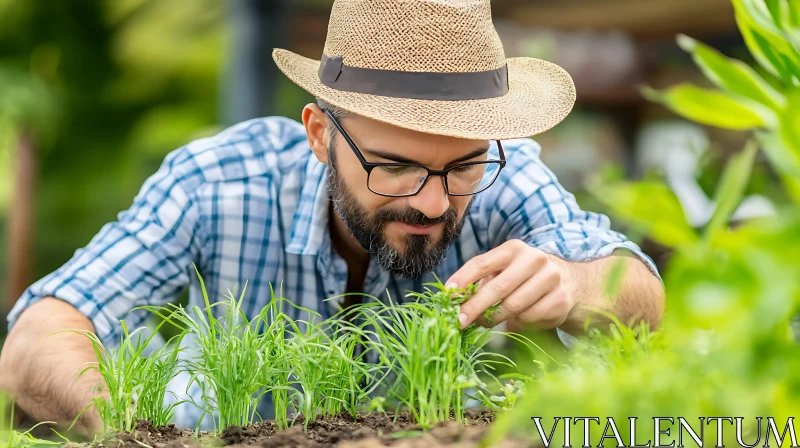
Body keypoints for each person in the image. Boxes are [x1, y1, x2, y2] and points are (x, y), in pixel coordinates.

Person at [0, 0, 664, 433]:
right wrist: (138, 433)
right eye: (395, 167)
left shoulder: (505, 174)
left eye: (461, 167)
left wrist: (573, 284)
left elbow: (639, 292)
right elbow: (38, 334)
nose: (432, 202)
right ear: (320, 134)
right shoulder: (220, 184)